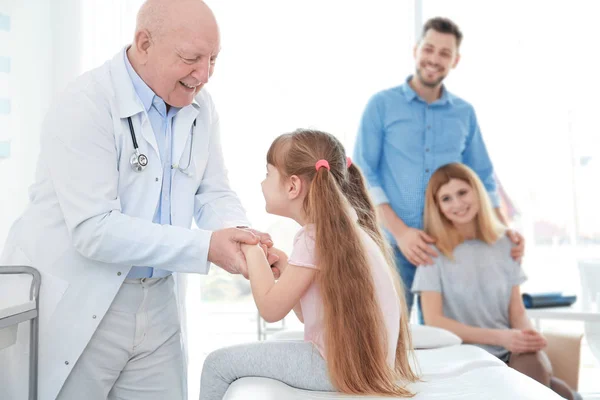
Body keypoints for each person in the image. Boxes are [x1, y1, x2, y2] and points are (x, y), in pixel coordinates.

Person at [0, 1, 274, 399]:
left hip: (158, 301)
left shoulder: (201, 107)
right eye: (191, 58)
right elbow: (94, 230)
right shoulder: (86, 102)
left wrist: (245, 240)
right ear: (144, 43)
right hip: (84, 297)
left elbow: (213, 190)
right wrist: (207, 246)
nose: (204, 74)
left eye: (213, 59)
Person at [199, 129, 419, 399]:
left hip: (334, 366)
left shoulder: (313, 238)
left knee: (217, 365)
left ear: (293, 186)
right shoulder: (343, 232)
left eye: (268, 174)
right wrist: (286, 266)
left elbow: (270, 309)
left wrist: (251, 248)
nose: (262, 183)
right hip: (357, 365)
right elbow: (311, 315)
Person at [352, 17, 524, 316]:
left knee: (446, 339)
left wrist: (502, 229)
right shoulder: (381, 105)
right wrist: (402, 232)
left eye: (444, 53)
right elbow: (364, 172)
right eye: (429, 49)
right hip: (392, 244)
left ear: (455, 60)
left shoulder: (464, 114)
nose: (434, 59)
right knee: (394, 335)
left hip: (448, 246)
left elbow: (481, 175)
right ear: (416, 49)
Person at [412, 163, 581, 400]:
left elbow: (516, 311)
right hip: (464, 352)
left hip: (511, 349)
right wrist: (502, 337)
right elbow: (435, 321)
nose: (457, 204)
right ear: (437, 206)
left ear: (477, 191)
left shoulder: (508, 244)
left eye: (462, 192)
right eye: (446, 198)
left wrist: (528, 335)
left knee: (533, 371)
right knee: (555, 392)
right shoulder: (431, 254)